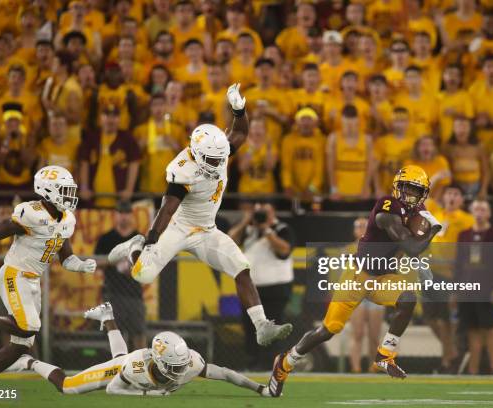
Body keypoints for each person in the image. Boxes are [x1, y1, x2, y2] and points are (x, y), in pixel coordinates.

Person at [107, 83, 292, 348]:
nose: (218, 164)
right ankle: (135, 245)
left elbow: (240, 132)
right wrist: (151, 239)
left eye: (221, 159)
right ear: (195, 152)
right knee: (142, 275)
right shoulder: (183, 171)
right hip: (177, 228)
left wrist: (238, 108)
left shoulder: (218, 151)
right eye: (213, 160)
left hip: (206, 230)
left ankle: (262, 326)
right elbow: (167, 209)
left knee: (241, 268)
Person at [269, 165, 442, 397]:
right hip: (357, 276)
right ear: (397, 187)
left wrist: (423, 255)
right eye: (407, 189)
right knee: (329, 330)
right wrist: (432, 231)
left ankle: (384, 355)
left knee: (409, 299)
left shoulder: (416, 211)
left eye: (416, 191)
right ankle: (285, 362)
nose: (411, 195)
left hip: (382, 278)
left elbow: (412, 249)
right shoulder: (387, 206)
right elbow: (411, 247)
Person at [0, 166, 96, 388]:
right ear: (47, 191)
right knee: (29, 326)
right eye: (64, 190)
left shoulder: (67, 219)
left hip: (33, 280)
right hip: (14, 274)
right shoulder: (31, 214)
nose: (70, 196)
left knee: (22, 343)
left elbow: (66, 258)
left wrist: (82, 265)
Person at [22, 302, 270, 397]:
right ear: (161, 362)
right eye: (175, 366)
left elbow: (226, 373)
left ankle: (108, 316)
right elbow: (112, 389)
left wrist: (260, 389)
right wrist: (146, 395)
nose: (182, 370)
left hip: (133, 362)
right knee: (69, 387)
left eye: (182, 364)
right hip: (122, 369)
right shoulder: (136, 368)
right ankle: (29, 362)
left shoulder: (191, 363)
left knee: (121, 354)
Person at [228, 203, 295, 369]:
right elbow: (230, 240)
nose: (261, 216)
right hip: (251, 289)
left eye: (265, 212)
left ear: (273, 213)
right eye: (258, 213)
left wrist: (267, 229)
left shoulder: (282, 228)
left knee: (274, 326)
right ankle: (252, 363)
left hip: (276, 288)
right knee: (250, 326)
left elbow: (285, 250)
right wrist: (245, 221)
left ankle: (272, 363)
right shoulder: (249, 230)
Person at [423, 184, 474, 373]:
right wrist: (436, 180)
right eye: (449, 194)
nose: (452, 197)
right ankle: (452, 351)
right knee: (428, 316)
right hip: (431, 273)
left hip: (451, 275)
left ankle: (447, 362)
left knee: (446, 320)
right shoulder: (436, 214)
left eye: (456, 194)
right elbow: (426, 196)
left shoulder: (467, 219)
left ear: (461, 200)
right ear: (444, 198)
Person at [455, 200, 493, 375]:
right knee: (472, 331)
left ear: (489, 213)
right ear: (471, 212)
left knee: (490, 329)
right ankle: (473, 371)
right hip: (468, 290)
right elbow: (459, 264)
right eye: (476, 208)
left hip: (488, 289)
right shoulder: (463, 235)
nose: (479, 212)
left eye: (483, 209)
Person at [94, 201, 146, 351]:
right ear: (115, 216)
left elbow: (149, 262)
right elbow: (96, 262)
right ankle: (120, 366)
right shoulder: (106, 238)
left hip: (135, 293)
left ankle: (141, 364)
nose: (123, 217)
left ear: (132, 215)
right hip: (112, 293)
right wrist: (115, 261)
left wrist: (131, 266)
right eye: (120, 213)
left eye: (126, 213)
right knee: (116, 334)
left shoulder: (139, 238)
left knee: (138, 333)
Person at [347, 217, 386, 374]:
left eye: (365, 226)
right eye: (359, 226)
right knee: (357, 333)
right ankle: (355, 368)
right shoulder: (348, 249)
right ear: (354, 230)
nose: (362, 228)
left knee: (374, 335)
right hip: (357, 296)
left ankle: (373, 368)